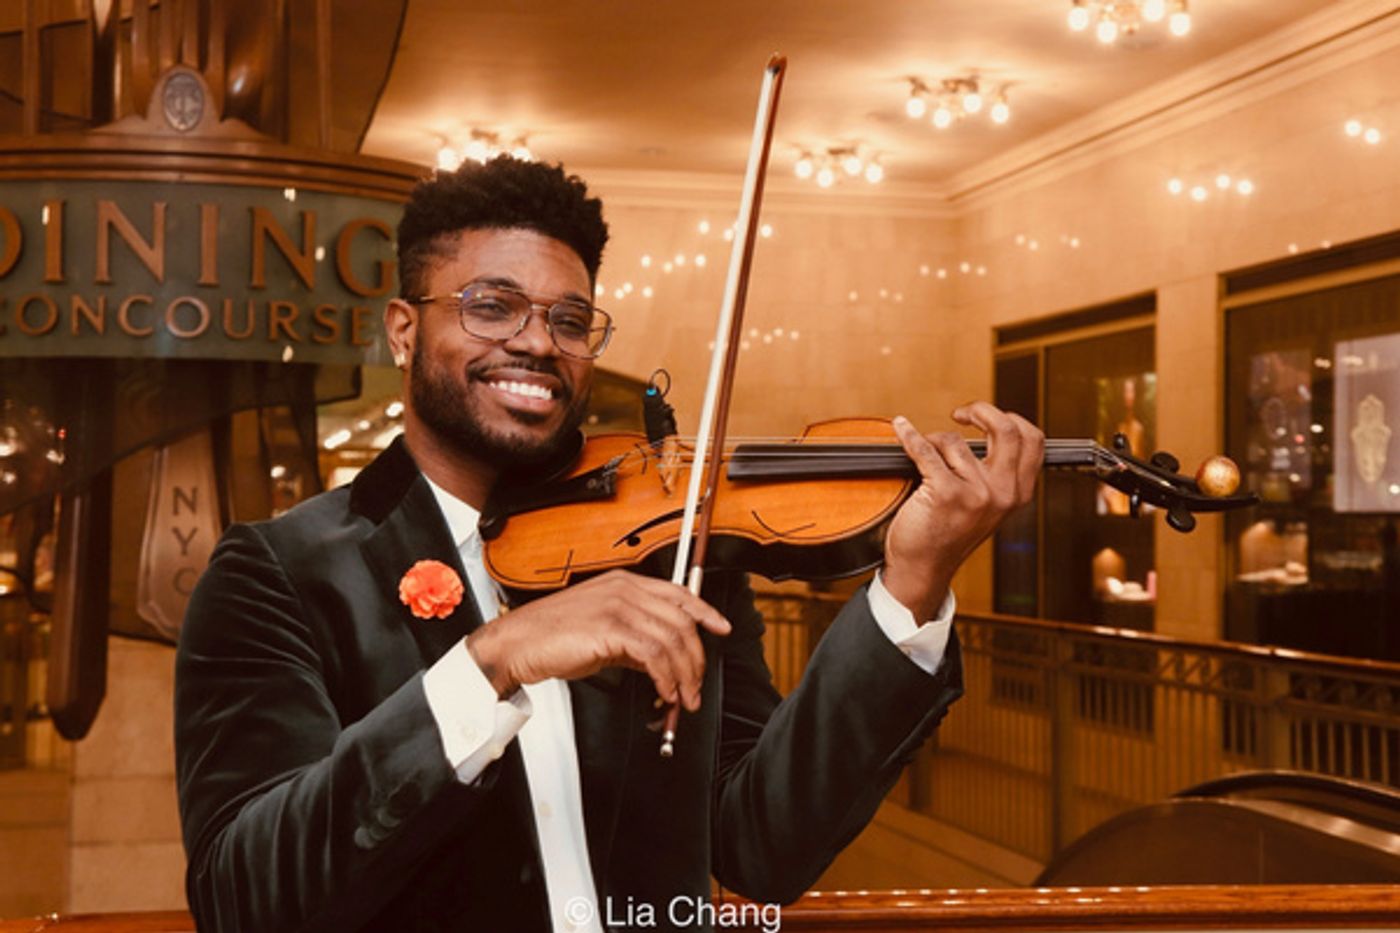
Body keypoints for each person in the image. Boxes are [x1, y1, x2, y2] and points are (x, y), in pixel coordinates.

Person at [174, 156, 1043, 933]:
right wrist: (492, 659)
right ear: (404, 329)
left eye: (570, 319)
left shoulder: (667, 547)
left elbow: (761, 845)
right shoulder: (279, 573)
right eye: (492, 306)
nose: (536, 342)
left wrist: (913, 583)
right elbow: (244, 895)